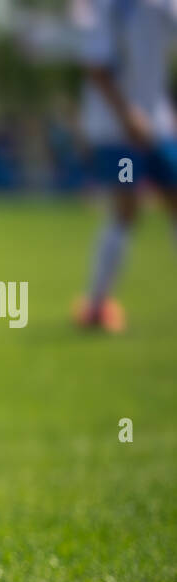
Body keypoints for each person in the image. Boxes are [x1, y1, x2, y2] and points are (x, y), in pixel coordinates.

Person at [73, 0, 177, 333]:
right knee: (127, 210)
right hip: (117, 133)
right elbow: (97, 68)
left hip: (159, 127)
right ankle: (97, 304)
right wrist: (127, 116)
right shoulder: (107, 6)